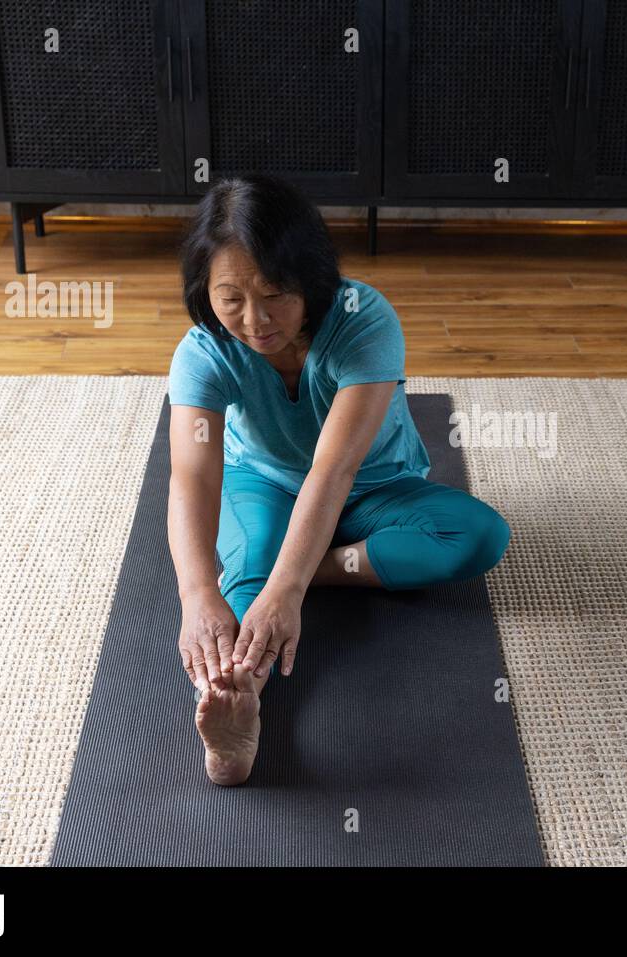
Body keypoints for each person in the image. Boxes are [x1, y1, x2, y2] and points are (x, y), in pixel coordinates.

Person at [166, 174, 510, 785]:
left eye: (274, 293)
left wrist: (290, 587)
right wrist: (197, 598)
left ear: (310, 277)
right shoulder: (203, 352)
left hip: (372, 489)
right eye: (231, 298)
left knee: (480, 537)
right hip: (265, 485)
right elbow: (193, 477)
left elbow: (335, 468)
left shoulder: (362, 318)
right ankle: (239, 705)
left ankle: (300, 571)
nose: (256, 320)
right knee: (242, 575)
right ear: (205, 291)